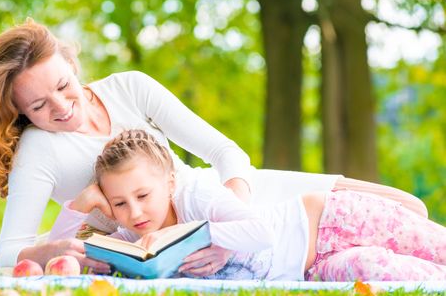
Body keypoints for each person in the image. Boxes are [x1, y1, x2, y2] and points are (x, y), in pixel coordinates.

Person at [0, 19, 428, 273]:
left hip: (246, 203)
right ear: (21, 112)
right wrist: (72, 226)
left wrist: (224, 229)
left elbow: (227, 155)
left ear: (72, 64)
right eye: (39, 105)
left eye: (64, 85)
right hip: (208, 253)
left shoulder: (129, 87)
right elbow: (7, 254)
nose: (61, 106)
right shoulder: (40, 151)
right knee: (387, 264)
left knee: (411, 211)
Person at [50, 129, 446, 281]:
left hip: (330, 220)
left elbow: (262, 231)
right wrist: (79, 206)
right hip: (312, 269)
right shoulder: (134, 242)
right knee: (378, 271)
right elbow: (62, 259)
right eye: (118, 203)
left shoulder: (196, 195)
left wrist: (200, 235)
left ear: (168, 182)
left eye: (142, 196)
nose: (135, 213)